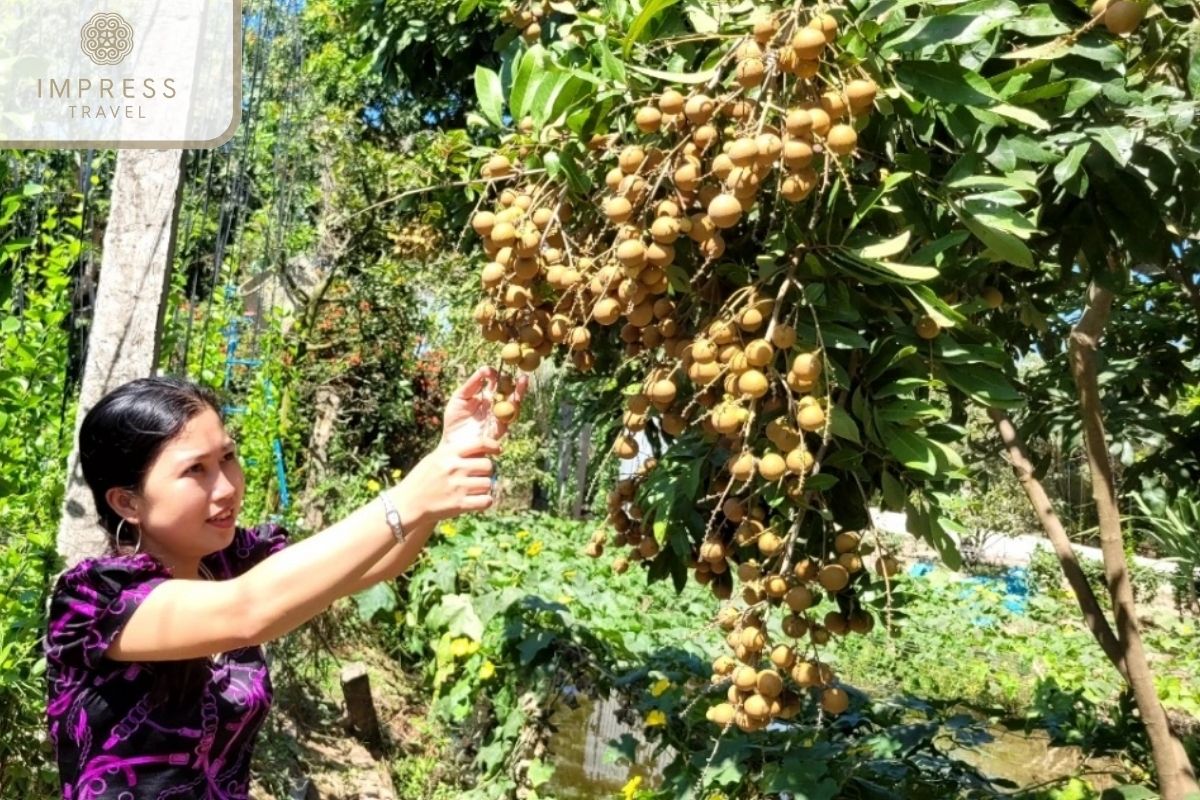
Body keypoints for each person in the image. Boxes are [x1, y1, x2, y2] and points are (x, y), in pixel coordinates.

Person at [43, 365, 526, 800]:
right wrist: (408, 497)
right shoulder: (92, 603)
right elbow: (247, 611)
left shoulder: (231, 560)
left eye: (228, 457)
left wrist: (450, 461)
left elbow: (373, 564)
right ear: (128, 503)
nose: (228, 487)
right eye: (196, 470)